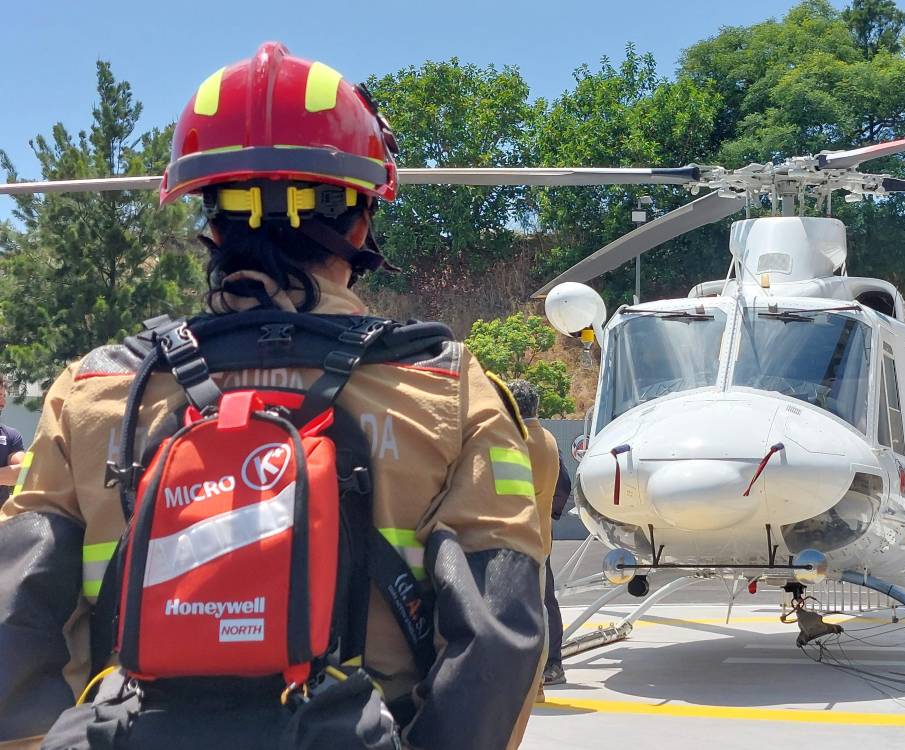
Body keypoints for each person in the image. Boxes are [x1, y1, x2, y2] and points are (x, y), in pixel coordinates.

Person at [0, 42, 544, 750]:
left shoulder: (93, 390)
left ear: (210, 221)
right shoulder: (449, 388)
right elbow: (500, 631)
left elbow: (15, 620)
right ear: (360, 222)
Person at [505, 380, 570, 686]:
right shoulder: (549, 439)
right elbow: (564, 483)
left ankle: (532, 671)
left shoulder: (512, 441)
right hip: (542, 537)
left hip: (513, 541)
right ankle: (552, 665)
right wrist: (548, 513)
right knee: (545, 603)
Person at [0, 379, 25, 502]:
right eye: (0, 395)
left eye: (4, 396)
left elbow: (22, 473)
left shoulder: (11, 435)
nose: (3, 402)